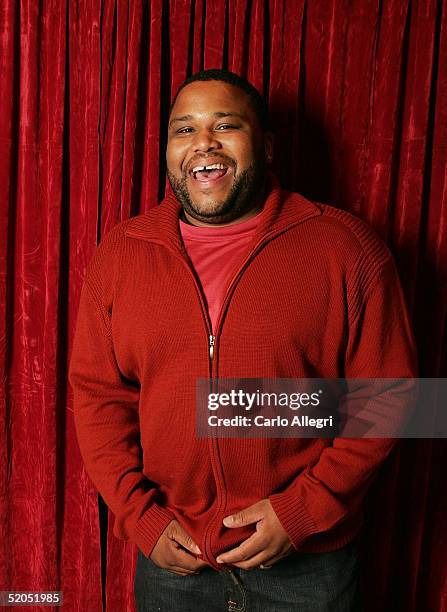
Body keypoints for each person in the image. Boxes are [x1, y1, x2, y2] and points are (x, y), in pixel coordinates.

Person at [68, 69, 418, 611]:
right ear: (167, 151)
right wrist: (142, 518)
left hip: (309, 568)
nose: (203, 142)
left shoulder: (346, 250)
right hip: (173, 565)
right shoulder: (121, 255)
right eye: (184, 130)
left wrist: (302, 511)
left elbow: (392, 397)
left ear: (268, 146)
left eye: (225, 125)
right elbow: (97, 398)